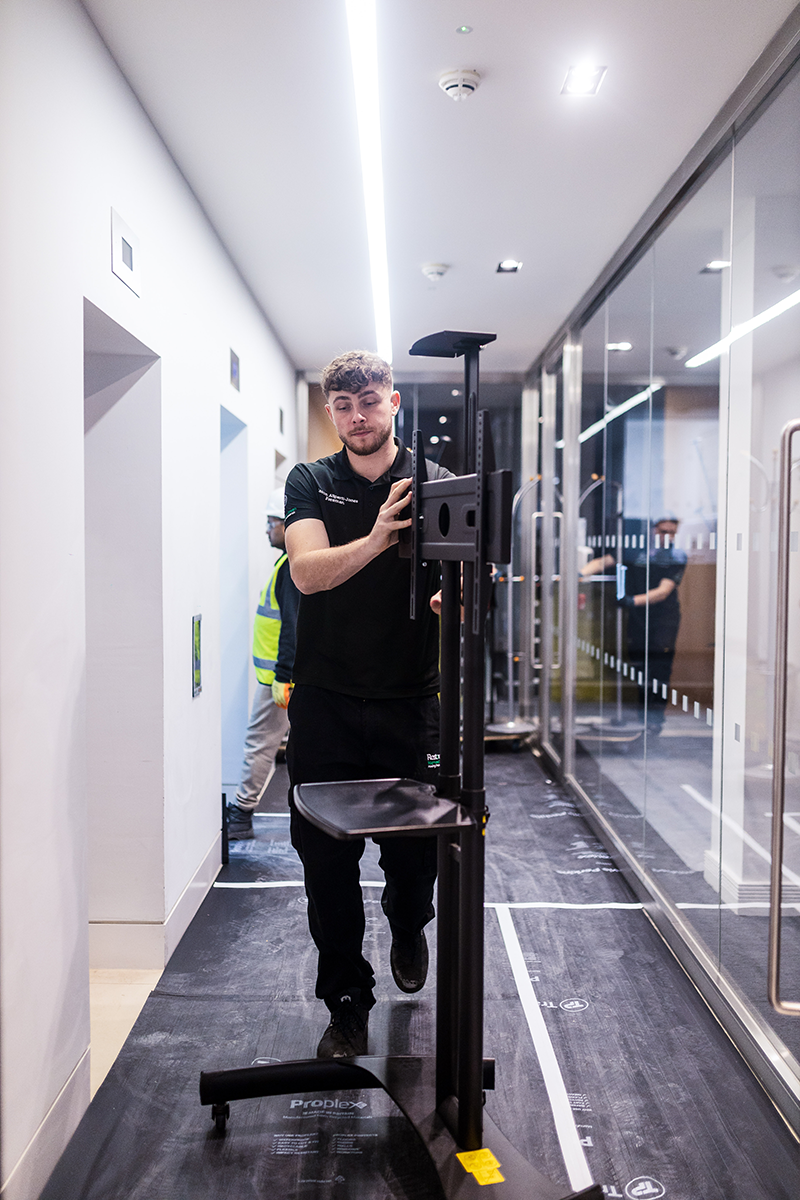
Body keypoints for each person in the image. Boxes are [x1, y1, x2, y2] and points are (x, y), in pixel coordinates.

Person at [283, 349, 452, 1058]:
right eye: (344, 406)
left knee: (414, 857)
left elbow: (464, 579)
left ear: (394, 402)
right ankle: (347, 1003)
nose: (358, 417)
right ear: (332, 413)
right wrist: (380, 536)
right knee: (326, 866)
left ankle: (409, 922)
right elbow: (307, 571)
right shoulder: (312, 481)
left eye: (370, 401)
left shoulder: (436, 483)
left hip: (410, 705)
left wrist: (457, 600)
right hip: (325, 704)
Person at [226, 490, 300, 841]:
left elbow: (292, 626)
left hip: (280, 680)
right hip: (280, 676)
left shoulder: (291, 568)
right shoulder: (288, 564)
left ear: (288, 525)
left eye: (272, 522)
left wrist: (283, 676)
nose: (268, 529)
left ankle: (241, 813)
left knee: (260, 741)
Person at [581, 516, 686, 732]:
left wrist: (630, 601)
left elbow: (663, 592)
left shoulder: (677, 556)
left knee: (659, 668)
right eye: (663, 531)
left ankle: (654, 720)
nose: (666, 537)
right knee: (639, 665)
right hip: (638, 618)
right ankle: (642, 717)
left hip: (663, 620)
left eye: (672, 533)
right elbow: (602, 562)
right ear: (653, 530)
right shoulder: (635, 550)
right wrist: (578, 575)